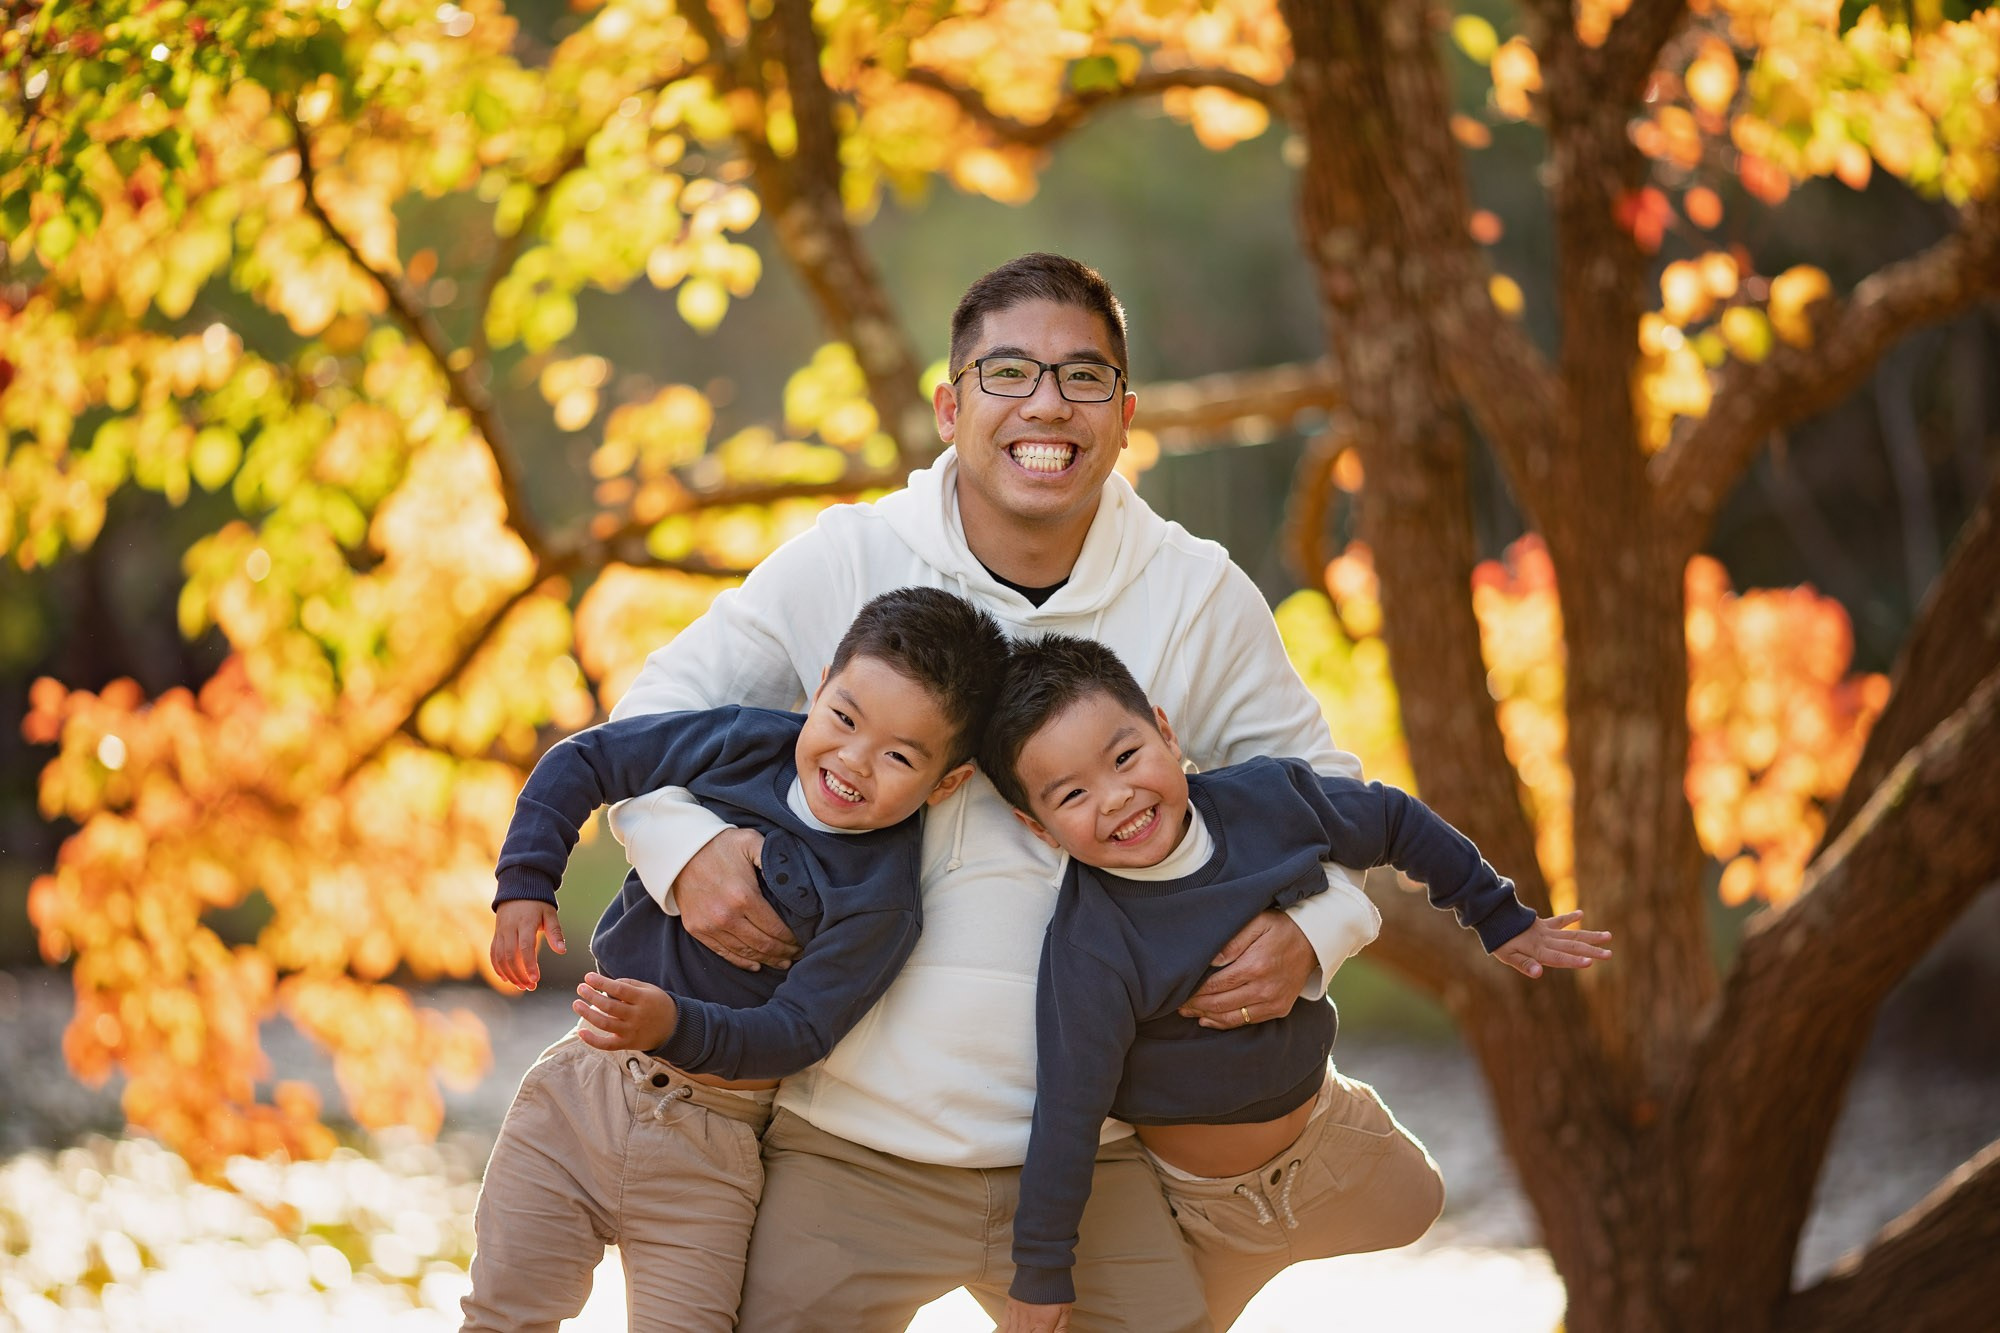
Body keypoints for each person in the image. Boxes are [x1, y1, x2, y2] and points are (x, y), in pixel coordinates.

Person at [607, 253, 1387, 1330]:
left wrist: (1316, 930)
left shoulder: (1196, 592)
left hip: (1097, 1157)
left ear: (1123, 414)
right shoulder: (850, 555)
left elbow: (1331, 793)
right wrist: (684, 854)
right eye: (1007, 371)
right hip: (848, 1142)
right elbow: (647, 719)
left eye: (1081, 378)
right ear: (949, 403)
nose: (1044, 406)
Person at [979, 634, 1613, 1333]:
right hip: (1203, 1210)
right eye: (1072, 794)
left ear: (1165, 730)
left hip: (1324, 1131)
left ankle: (1341, 1127)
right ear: (1036, 827)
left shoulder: (1267, 800)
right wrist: (1040, 1272)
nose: (1116, 796)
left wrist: (1497, 914)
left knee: (1423, 1199)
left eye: (1126, 756)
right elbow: (1066, 1109)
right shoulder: (1090, 942)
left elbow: (1393, 820)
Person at [459, 587, 1008, 1333]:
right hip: (583, 1090)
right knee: (502, 1313)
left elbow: (799, 1030)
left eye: (899, 756)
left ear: (946, 781)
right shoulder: (745, 741)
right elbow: (588, 759)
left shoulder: (882, 898)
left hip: (711, 1148)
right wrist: (525, 879)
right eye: (844, 718)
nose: (852, 760)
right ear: (819, 687)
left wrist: (675, 1023)